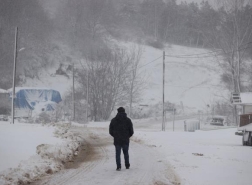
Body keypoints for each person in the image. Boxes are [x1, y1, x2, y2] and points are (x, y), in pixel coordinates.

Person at [109, 107, 134, 171]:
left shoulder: (114, 120)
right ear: (124, 111)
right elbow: (131, 131)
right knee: (126, 153)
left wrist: (115, 135)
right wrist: (127, 136)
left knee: (117, 153)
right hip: (125, 139)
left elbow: (110, 131)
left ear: (118, 112)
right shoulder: (128, 120)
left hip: (117, 140)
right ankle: (127, 165)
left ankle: (118, 166)